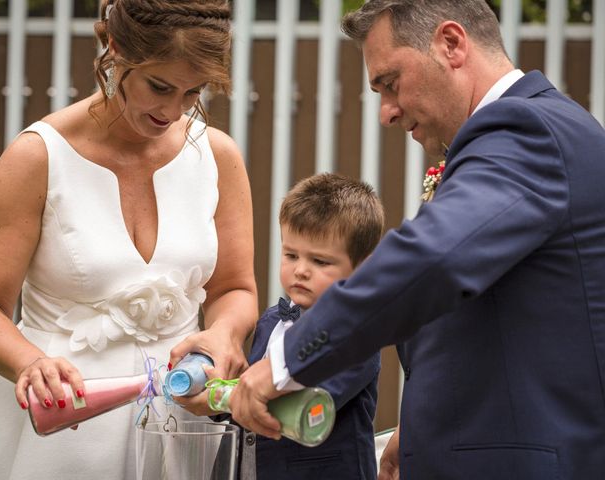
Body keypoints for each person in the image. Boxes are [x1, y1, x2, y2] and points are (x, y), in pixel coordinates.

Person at [226, 1, 605, 480]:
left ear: (451, 44)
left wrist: (286, 360)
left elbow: (432, 259)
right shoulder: (529, 134)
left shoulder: (526, 132)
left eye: (390, 83)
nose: (386, 113)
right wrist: (428, 425)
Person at [0, 1, 257, 479]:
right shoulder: (37, 156)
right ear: (115, 49)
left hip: (177, 423)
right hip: (61, 429)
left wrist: (223, 334)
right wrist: (30, 363)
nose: (172, 110)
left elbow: (234, 289)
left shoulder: (217, 156)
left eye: (192, 92)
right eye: (158, 87)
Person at [248, 172, 384, 479]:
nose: (301, 270)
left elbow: (313, 401)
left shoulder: (359, 332)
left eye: (320, 261)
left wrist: (242, 398)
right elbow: (248, 383)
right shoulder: (271, 320)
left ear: (362, 266)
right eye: (291, 255)